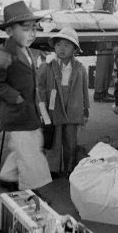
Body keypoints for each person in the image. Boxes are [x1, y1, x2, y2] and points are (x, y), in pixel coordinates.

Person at [0, 1, 52, 192]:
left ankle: (7, 177)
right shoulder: (5, 53)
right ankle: (32, 193)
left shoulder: (28, 51)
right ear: (9, 32)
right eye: (25, 29)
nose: (31, 34)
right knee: (31, 154)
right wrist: (15, 96)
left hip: (28, 112)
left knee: (26, 146)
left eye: (34, 29)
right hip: (16, 113)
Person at [38, 28, 89, 177]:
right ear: (54, 47)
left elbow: (85, 90)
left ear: (74, 49)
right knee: (54, 139)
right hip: (54, 108)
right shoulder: (46, 67)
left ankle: (70, 167)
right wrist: (42, 110)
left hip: (73, 107)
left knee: (70, 140)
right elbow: (40, 89)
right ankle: (52, 168)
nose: (61, 48)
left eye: (67, 45)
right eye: (58, 44)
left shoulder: (80, 68)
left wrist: (85, 109)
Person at [93, 0, 118, 103]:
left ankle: (104, 91)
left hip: (109, 29)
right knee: (103, 61)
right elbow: (97, 10)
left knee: (109, 60)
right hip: (104, 30)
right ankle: (99, 93)